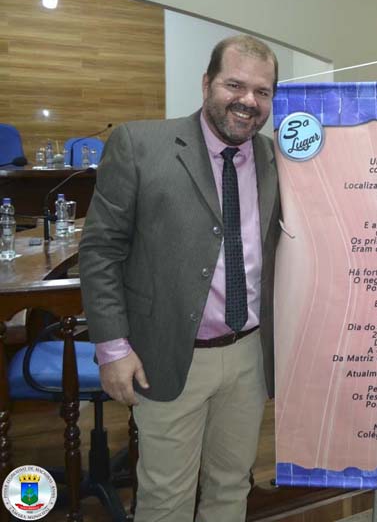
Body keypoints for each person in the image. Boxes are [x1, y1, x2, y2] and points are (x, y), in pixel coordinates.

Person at [80, 34, 281, 521]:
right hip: (169, 354)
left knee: (231, 486)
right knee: (166, 497)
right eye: (235, 85)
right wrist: (112, 349)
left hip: (250, 355)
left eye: (262, 91)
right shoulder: (139, 145)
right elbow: (101, 250)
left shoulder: (277, 159)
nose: (249, 101)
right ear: (207, 83)